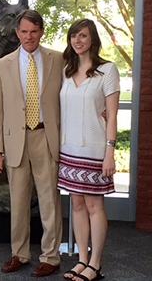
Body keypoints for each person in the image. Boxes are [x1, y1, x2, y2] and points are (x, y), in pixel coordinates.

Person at [0, 9, 64, 277]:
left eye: (34, 31)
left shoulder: (58, 60)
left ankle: (51, 257)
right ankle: (19, 254)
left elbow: (71, 94)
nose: (28, 36)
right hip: (15, 141)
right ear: (16, 33)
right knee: (18, 201)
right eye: (24, 31)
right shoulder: (2, 66)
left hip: (47, 137)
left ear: (41, 31)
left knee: (49, 201)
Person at [58, 19, 120, 281]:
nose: (77, 40)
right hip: (68, 149)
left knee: (95, 205)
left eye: (82, 35)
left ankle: (96, 263)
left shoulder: (108, 70)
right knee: (77, 204)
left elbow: (113, 116)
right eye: (73, 36)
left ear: (92, 39)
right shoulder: (66, 71)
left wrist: (110, 151)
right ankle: (82, 260)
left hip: (95, 149)